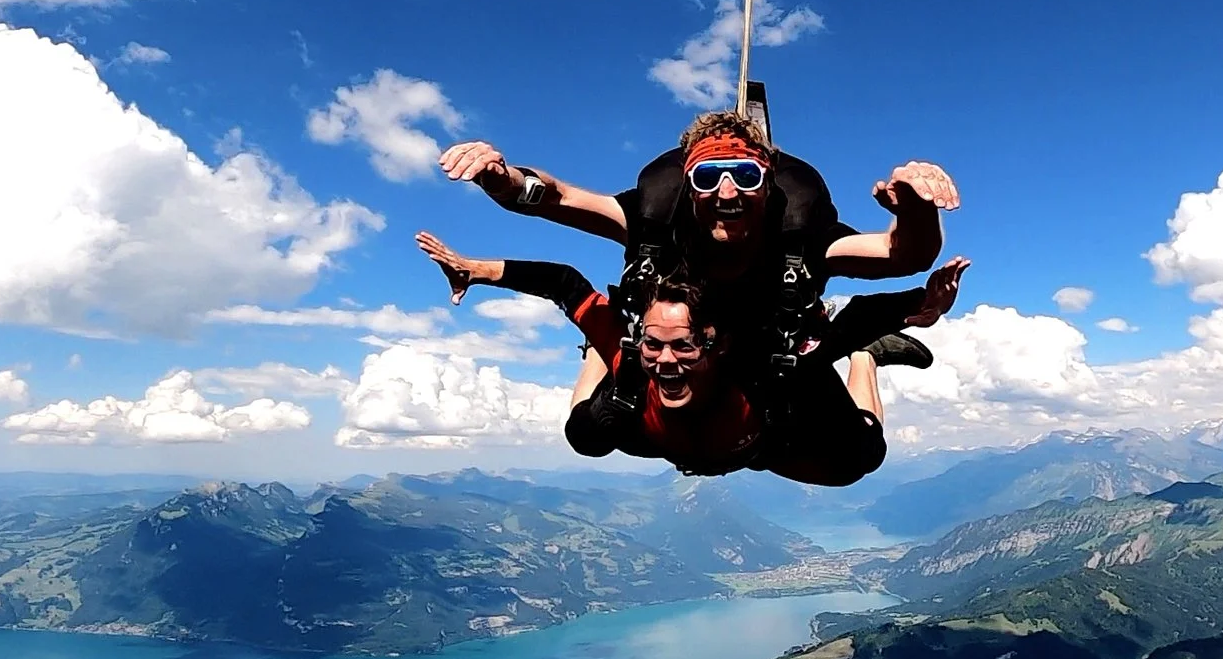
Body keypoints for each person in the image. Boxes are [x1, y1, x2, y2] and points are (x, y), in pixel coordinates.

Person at [436, 111, 959, 407]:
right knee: (589, 435)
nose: (726, 190)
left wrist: (916, 209)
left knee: (854, 460)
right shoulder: (653, 223)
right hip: (685, 358)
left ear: (768, 185)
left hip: (769, 358)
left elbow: (900, 254)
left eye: (745, 176)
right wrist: (502, 180)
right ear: (687, 186)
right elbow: (556, 198)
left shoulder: (801, 237)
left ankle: (865, 351)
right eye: (707, 177)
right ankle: (603, 346)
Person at [415, 231, 968, 484]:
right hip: (671, 440)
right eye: (655, 344)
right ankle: (595, 355)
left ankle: (869, 363)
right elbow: (564, 283)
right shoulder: (636, 363)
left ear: (715, 343)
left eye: (683, 346)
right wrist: (477, 269)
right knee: (586, 434)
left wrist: (922, 305)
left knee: (859, 459)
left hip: (764, 441)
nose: (666, 360)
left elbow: (852, 323)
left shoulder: (754, 364)